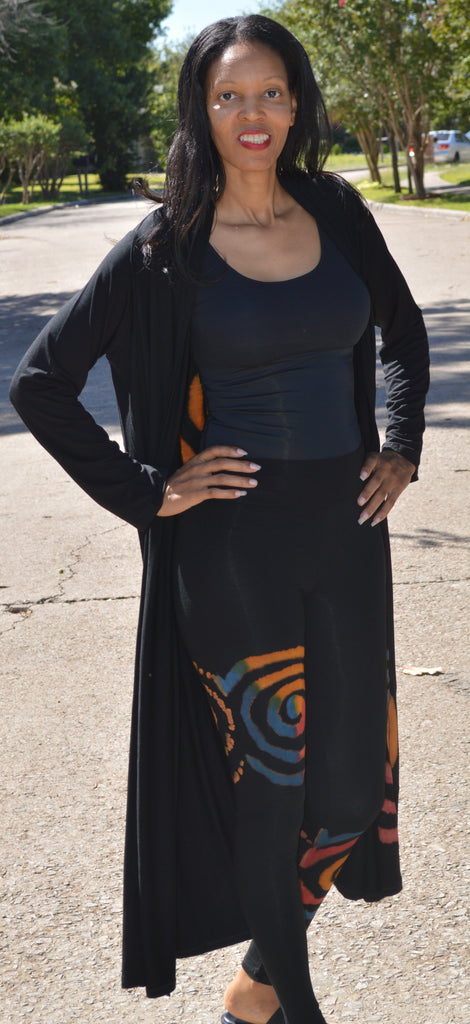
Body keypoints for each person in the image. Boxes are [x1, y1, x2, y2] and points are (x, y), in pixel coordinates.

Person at [9, 14, 429, 1024]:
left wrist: (402, 445)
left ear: (297, 102)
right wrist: (148, 490)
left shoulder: (335, 209)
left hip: (346, 531)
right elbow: (41, 383)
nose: (253, 113)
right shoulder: (167, 245)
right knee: (273, 783)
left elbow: (403, 332)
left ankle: (255, 988)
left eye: (271, 92)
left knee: (347, 792)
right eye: (229, 94)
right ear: (200, 110)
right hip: (233, 546)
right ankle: (294, 1010)